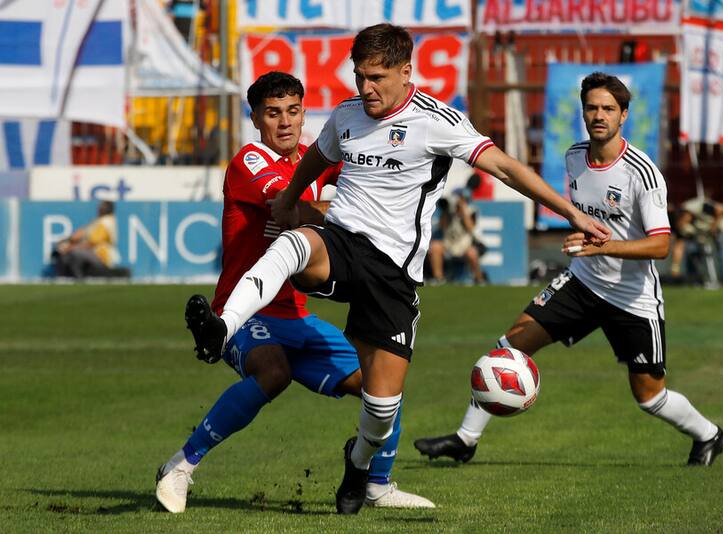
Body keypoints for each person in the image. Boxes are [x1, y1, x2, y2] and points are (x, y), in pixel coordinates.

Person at [185, 24, 610, 515]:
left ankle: (361, 466)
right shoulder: (347, 115)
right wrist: (285, 201)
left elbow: (507, 168)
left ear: (406, 72)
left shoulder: (439, 121)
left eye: (377, 78)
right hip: (342, 244)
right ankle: (222, 328)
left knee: (381, 406)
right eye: (360, 76)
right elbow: (317, 159)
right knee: (296, 246)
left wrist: (573, 214)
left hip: (393, 273)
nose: (366, 89)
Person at [413, 72, 723, 469]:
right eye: (592, 107)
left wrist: (604, 244)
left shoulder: (642, 174)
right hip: (581, 281)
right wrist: (588, 246)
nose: (599, 115)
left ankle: (709, 434)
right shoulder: (574, 156)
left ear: (624, 115)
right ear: (583, 112)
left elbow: (661, 245)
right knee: (509, 346)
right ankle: (465, 439)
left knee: (649, 396)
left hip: (632, 299)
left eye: (608, 109)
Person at [155, 71, 434, 514]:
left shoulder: (314, 156)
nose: (285, 122)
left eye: (293, 111)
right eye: (273, 113)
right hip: (245, 313)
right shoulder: (250, 161)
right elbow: (295, 208)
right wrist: (350, 215)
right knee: (273, 371)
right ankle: (180, 466)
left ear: (304, 113)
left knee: (380, 381)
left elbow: (373, 174)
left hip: (299, 317)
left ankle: (377, 483)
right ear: (256, 119)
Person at [427, 174, 487, 285]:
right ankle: (439, 279)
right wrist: (447, 212)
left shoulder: (471, 210)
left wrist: (463, 211)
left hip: (465, 245)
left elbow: (471, 229)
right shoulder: (449, 212)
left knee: (472, 253)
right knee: (435, 246)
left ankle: (479, 279)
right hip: (449, 244)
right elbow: (442, 227)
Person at [670, 196, 723, 287]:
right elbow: (679, 246)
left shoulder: (695, 206)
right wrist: (675, 268)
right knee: (692, 251)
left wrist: (714, 226)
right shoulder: (686, 226)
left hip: (721, 229)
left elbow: (720, 210)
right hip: (705, 231)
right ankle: (694, 279)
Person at [52, 200, 120, 279]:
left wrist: (71, 247)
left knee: (75, 252)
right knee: (63, 250)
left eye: (102, 206)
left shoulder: (105, 222)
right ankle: (63, 277)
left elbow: (92, 243)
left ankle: (79, 279)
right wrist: (66, 241)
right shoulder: (99, 220)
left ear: (107, 209)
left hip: (102, 256)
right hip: (92, 254)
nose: (99, 208)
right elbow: (80, 234)